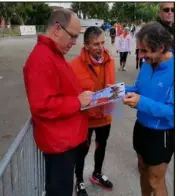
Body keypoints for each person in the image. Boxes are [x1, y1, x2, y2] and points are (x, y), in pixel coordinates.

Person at [23, 8, 93, 196]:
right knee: (59, 191)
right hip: (58, 145)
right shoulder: (41, 59)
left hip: (65, 141)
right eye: (73, 36)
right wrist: (78, 102)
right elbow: (42, 106)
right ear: (57, 29)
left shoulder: (53, 53)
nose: (74, 43)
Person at [123, 22, 174, 196]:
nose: (141, 55)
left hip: (162, 133)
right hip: (141, 127)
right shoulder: (146, 63)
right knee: (143, 171)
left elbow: (172, 111)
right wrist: (118, 90)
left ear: (161, 47)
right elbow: (138, 88)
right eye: (139, 50)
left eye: (145, 51)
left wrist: (141, 102)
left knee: (155, 180)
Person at [70, 26, 115, 196]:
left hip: (105, 117)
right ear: (86, 45)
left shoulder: (110, 61)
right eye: (96, 44)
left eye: (103, 42)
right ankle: (79, 180)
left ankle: (97, 173)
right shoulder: (74, 66)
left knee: (101, 147)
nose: (101, 47)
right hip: (86, 119)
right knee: (82, 151)